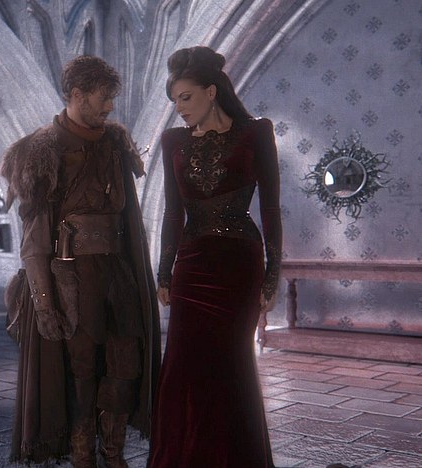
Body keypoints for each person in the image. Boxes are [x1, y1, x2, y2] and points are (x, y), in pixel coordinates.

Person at [0, 55, 160, 467]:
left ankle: (113, 450)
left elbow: (129, 218)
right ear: (76, 95)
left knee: (125, 362)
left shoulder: (115, 144)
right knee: (82, 370)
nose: (110, 106)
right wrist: (43, 303)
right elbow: (34, 239)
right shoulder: (40, 151)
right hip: (71, 278)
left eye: (111, 98)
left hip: (118, 274)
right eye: (103, 97)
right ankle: (83, 453)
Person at [147, 45, 281, 467]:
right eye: (174, 101)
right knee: (183, 367)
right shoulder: (173, 141)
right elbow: (173, 212)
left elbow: (270, 208)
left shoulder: (256, 133)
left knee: (232, 366)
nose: (179, 108)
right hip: (192, 266)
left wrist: (272, 276)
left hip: (239, 266)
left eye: (185, 97)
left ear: (210, 91)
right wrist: (164, 272)